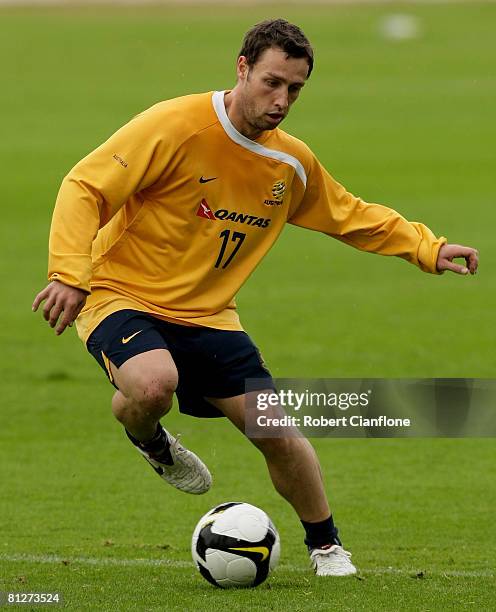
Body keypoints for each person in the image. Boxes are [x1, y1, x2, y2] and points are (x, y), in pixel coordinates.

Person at [32, 19, 478, 577]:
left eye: (295, 89)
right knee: (152, 383)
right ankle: (149, 437)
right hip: (121, 292)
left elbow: (348, 213)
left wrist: (426, 248)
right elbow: (85, 186)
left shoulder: (288, 162)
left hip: (210, 316)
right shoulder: (176, 125)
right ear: (241, 67)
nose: (282, 100)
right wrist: (69, 273)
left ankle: (327, 549)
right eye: (271, 82)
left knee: (279, 432)